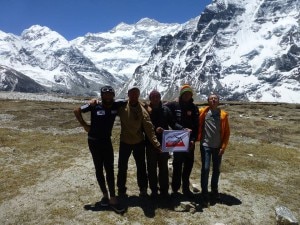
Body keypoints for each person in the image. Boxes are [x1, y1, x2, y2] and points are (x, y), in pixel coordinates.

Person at [74, 85, 126, 213]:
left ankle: (113, 198)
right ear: (102, 96)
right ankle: (105, 195)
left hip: (106, 141)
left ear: (113, 95)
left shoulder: (116, 105)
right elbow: (76, 111)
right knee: (98, 168)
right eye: (105, 94)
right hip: (94, 141)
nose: (108, 96)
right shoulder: (94, 105)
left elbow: (131, 100)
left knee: (109, 168)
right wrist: (85, 125)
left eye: (110, 94)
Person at [117, 86, 161, 197]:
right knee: (122, 167)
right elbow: (108, 105)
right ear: (128, 94)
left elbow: (149, 129)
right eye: (132, 93)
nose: (134, 95)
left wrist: (156, 143)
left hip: (138, 142)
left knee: (141, 167)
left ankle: (143, 189)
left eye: (136, 94)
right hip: (125, 141)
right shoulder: (122, 106)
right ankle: (121, 189)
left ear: (138, 95)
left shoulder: (143, 111)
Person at [145, 90, 181, 198]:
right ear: (150, 98)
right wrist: (155, 130)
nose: (155, 99)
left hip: (165, 143)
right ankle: (154, 190)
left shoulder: (166, 110)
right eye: (153, 97)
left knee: (163, 168)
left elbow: (173, 123)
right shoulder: (146, 111)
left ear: (160, 97)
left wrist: (182, 129)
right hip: (150, 143)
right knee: (151, 168)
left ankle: (164, 190)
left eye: (157, 97)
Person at [165, 84, 199, 198]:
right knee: (177, 164)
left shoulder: (194, 108)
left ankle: (185, 188)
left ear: (191, 95)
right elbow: (163, 108)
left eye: (189, 93)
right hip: (178, 139)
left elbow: (196, 126)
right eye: (185, 94)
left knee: (188, 164)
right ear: (181, 95)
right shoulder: (174, 105)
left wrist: (193, 140)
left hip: (190, 141)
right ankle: (175, 189)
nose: (187, 95)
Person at [197, 93, 230, 205]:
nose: (213, 100)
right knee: (205, 169)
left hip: (217, 147)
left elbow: (226, 133)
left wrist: (223, 147)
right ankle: (204, 192)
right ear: (208, 101)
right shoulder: (203, 112)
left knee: (216, 170)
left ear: (218, 101)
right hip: (205, 145)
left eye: (215, 99)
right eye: (211, 99)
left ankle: (214, 191)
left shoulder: (223, 115)